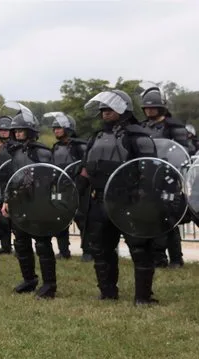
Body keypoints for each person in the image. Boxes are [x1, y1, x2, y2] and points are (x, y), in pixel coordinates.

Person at [81, 89, 158, 304]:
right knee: (101, 248)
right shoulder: (96, 137)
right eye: (103, 108)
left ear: (123, 109)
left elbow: (150, 171)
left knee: (140, 248)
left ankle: (143, 297)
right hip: (100, 200)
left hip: (130, 201)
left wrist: (144, 200)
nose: (105, 112)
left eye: (110, 108)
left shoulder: (137, 136)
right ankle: (107, 292)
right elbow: (85, 169)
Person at [1, 106, 57, 299]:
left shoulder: (42, 153)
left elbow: (49, 178)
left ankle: (49, 285)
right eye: (15, 130)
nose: (17, 133)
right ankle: (29, 280)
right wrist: (7, 200)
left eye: (20, 130)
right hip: (18, 203)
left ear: (31, 131)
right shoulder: (15, 152)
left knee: (42, 244)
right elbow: (11, 178)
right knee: (21, 243)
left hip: (38, 203)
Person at [140, 85, 190, 268]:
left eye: (153, 107)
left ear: (161, 107)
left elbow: (186, 151)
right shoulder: (141, 127)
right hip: (148, 178)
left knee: (168, 218)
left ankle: (176, 259)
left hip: (169, 179)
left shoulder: (174, 126)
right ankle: (158, 259)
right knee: (151, 217)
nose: (149, 110)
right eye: (147, 107)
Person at [48, 113, 90, 261]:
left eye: (59, 128)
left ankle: (88, 251)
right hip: (62, 187)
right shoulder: (55, 147)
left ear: (68, 128)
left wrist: (81, 185)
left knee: (82, 219)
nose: (56, 131)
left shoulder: (80, 146)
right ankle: (63, 251)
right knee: (60, 219)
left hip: (79, 187)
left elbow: (86, 167)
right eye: (54, 128)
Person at [0, 115, 14, 255]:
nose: (4, 132)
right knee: (2, 216)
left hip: (13, 183)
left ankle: (21, 244)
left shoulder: (14, 146)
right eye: (2, 130)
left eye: (7, 130)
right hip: (0, 184)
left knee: (15, 216)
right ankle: (5, 246)